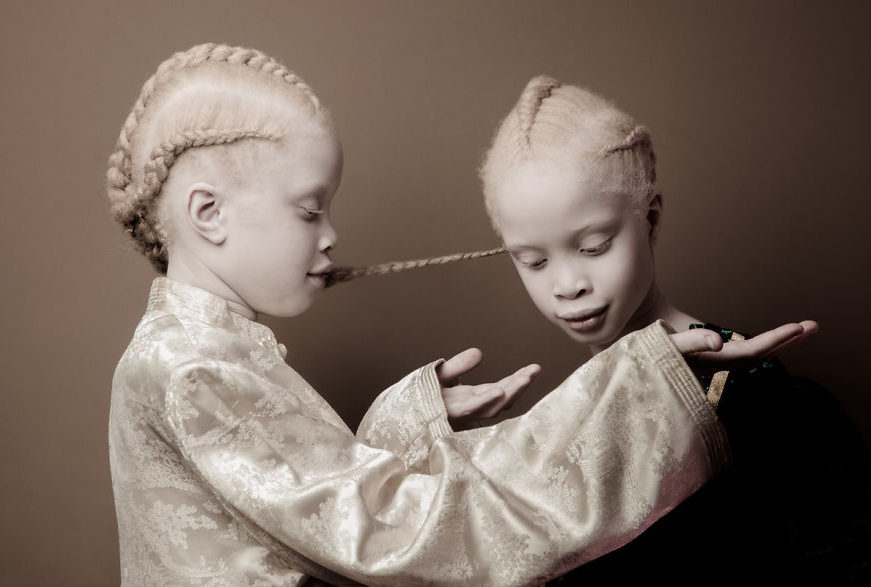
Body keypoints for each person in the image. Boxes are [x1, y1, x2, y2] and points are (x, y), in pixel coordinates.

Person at [106, 44, 814, 586]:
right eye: (310, 208)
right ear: (209, 213)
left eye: (593, 245)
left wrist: (405, 420)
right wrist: (646, 389)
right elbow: (401, 536)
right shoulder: (193, 366)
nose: (331, 236)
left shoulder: (203, 350)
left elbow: (319, 503)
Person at [477, 75, 871, 584]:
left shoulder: (763, 402)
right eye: (532, 261)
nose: (567, 284)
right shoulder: (569, 418)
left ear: (652, 219)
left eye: (594, 246)